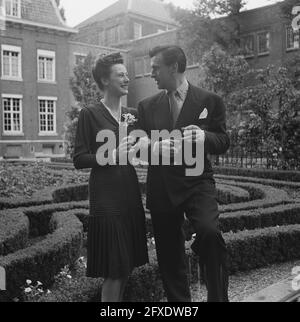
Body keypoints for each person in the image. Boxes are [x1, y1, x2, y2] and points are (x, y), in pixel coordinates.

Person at [136, 46, 230, 302]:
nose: (151, 73)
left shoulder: (210, 100)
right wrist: (151, 146)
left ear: (173, 67)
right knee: (169, 254)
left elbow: (223, 141)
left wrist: (204, 136)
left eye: (155, 67)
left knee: (210, 234)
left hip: (198, 182)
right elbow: (135, 143)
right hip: (162, 186)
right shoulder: (145, 106)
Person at [73, 53, 149, 302]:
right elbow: (79, 158)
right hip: (106, 196)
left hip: (129, 192)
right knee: (114, 269)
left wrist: (146, 147)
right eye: (121, 74)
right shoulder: (90, 114)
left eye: (127, 74)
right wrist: (111, 155)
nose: (127, 78)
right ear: (105, 80)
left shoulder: (132, 114)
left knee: (126, 266)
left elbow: (144, 147)